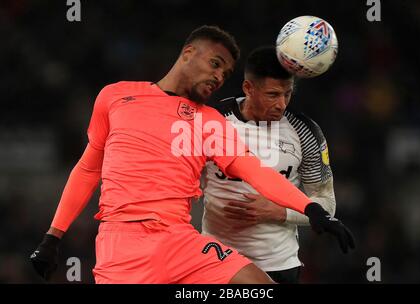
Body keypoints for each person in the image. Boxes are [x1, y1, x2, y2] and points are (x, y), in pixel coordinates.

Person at [30, 26, 354, 284]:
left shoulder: (210, 120)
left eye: (225, 74)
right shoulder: (116, 97)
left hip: (180, 240)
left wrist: (312, 209)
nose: (217, 77)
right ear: (188, 53)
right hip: (123, 244)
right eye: (215, 64)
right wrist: (52, 237)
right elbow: (88, 169)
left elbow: (255, 172)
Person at [201, 46, 340, 283]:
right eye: (273, 95)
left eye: (288, 94)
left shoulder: (305, 133)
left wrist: (279, 212)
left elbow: (327, 204)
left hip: (277, 265)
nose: (282, 104)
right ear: (248, 88)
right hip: (216, 258)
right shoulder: (213, 121)